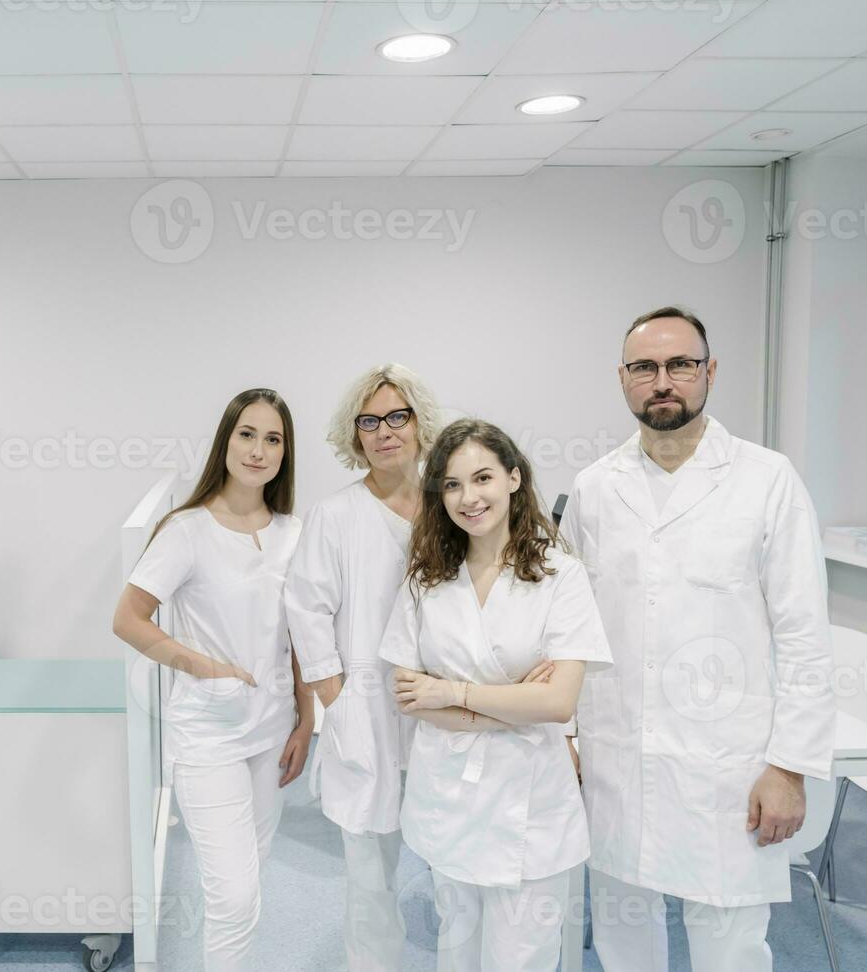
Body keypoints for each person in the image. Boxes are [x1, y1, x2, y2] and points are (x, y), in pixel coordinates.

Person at [560, 306, 835, 971]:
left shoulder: (766, 480)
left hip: (727, 765)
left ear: (708, 372)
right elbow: (568, 625)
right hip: (616, 755)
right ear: (621, 379)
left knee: (729, 946)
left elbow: (803, 633)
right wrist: (566, 735)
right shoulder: (594, 488)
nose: (663, 381)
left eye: (680, 364)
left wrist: (788, 767)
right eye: (644, 367)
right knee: (626, 934)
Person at [378, 418, 611, 971]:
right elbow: (410, 696)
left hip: (530, 808)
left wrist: (452, 693)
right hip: (449, 799)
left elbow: (558, 704)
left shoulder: (561, 575)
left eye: (482, 477)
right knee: (456, 953)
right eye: (452, 484)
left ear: (513, 478)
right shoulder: (426, 578)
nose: (468, 497)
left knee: (520, 959)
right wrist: (509, 705)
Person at [111, 388, 314, 972]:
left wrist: (306, 719)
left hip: (273, 733)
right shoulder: (186, 530)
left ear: (285, 453)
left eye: (272, 439)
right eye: (246, 434)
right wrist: (204, 666)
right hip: (210, 734)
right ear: (226, 440)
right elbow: (127, 619)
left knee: (249, 883)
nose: (258, 449)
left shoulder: (294, 533)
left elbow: (301, 636)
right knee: (234, 895)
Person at [283, 363, 440, 971]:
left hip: (444, 707)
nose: (384, 431)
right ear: (356, 436)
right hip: (366, 710)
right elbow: (307, 609)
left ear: (420, 424)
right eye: (369, 421)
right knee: (370, 871)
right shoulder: (336, 515)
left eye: (397, 416)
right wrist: (336, 699)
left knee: (451, 864)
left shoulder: (451, 504)